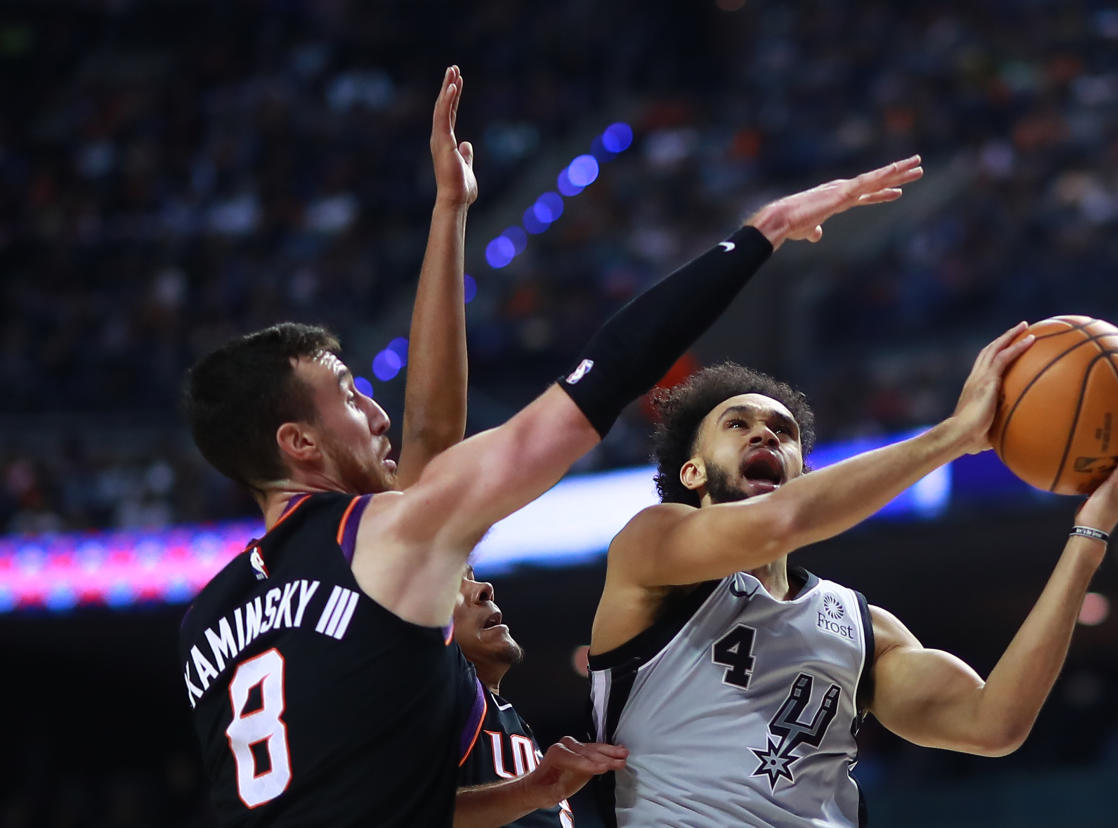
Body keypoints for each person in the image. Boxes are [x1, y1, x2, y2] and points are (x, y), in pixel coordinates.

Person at [177, 61, 926, 826]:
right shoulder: (382, 538)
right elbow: (595, 386)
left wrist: (449, 211)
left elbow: (433, 439)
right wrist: (759, 235)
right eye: (348, 392)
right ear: (300, 443)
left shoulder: (206, 621)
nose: (376, 410)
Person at [588, 351, 1118, 827]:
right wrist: (953, 436)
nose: (764, 431)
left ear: (803, 474)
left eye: (782, 432)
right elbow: (780, 523)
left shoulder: (862, 627)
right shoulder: (651, 545)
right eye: (737, 424)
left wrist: (1091, 532)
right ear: (692, 472)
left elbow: (993, 723)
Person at [455, 566, 576, 827]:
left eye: (472, 577)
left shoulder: (503, 716)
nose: (485, 588)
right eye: (453, 582)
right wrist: (527, 792)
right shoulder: (441, 690)